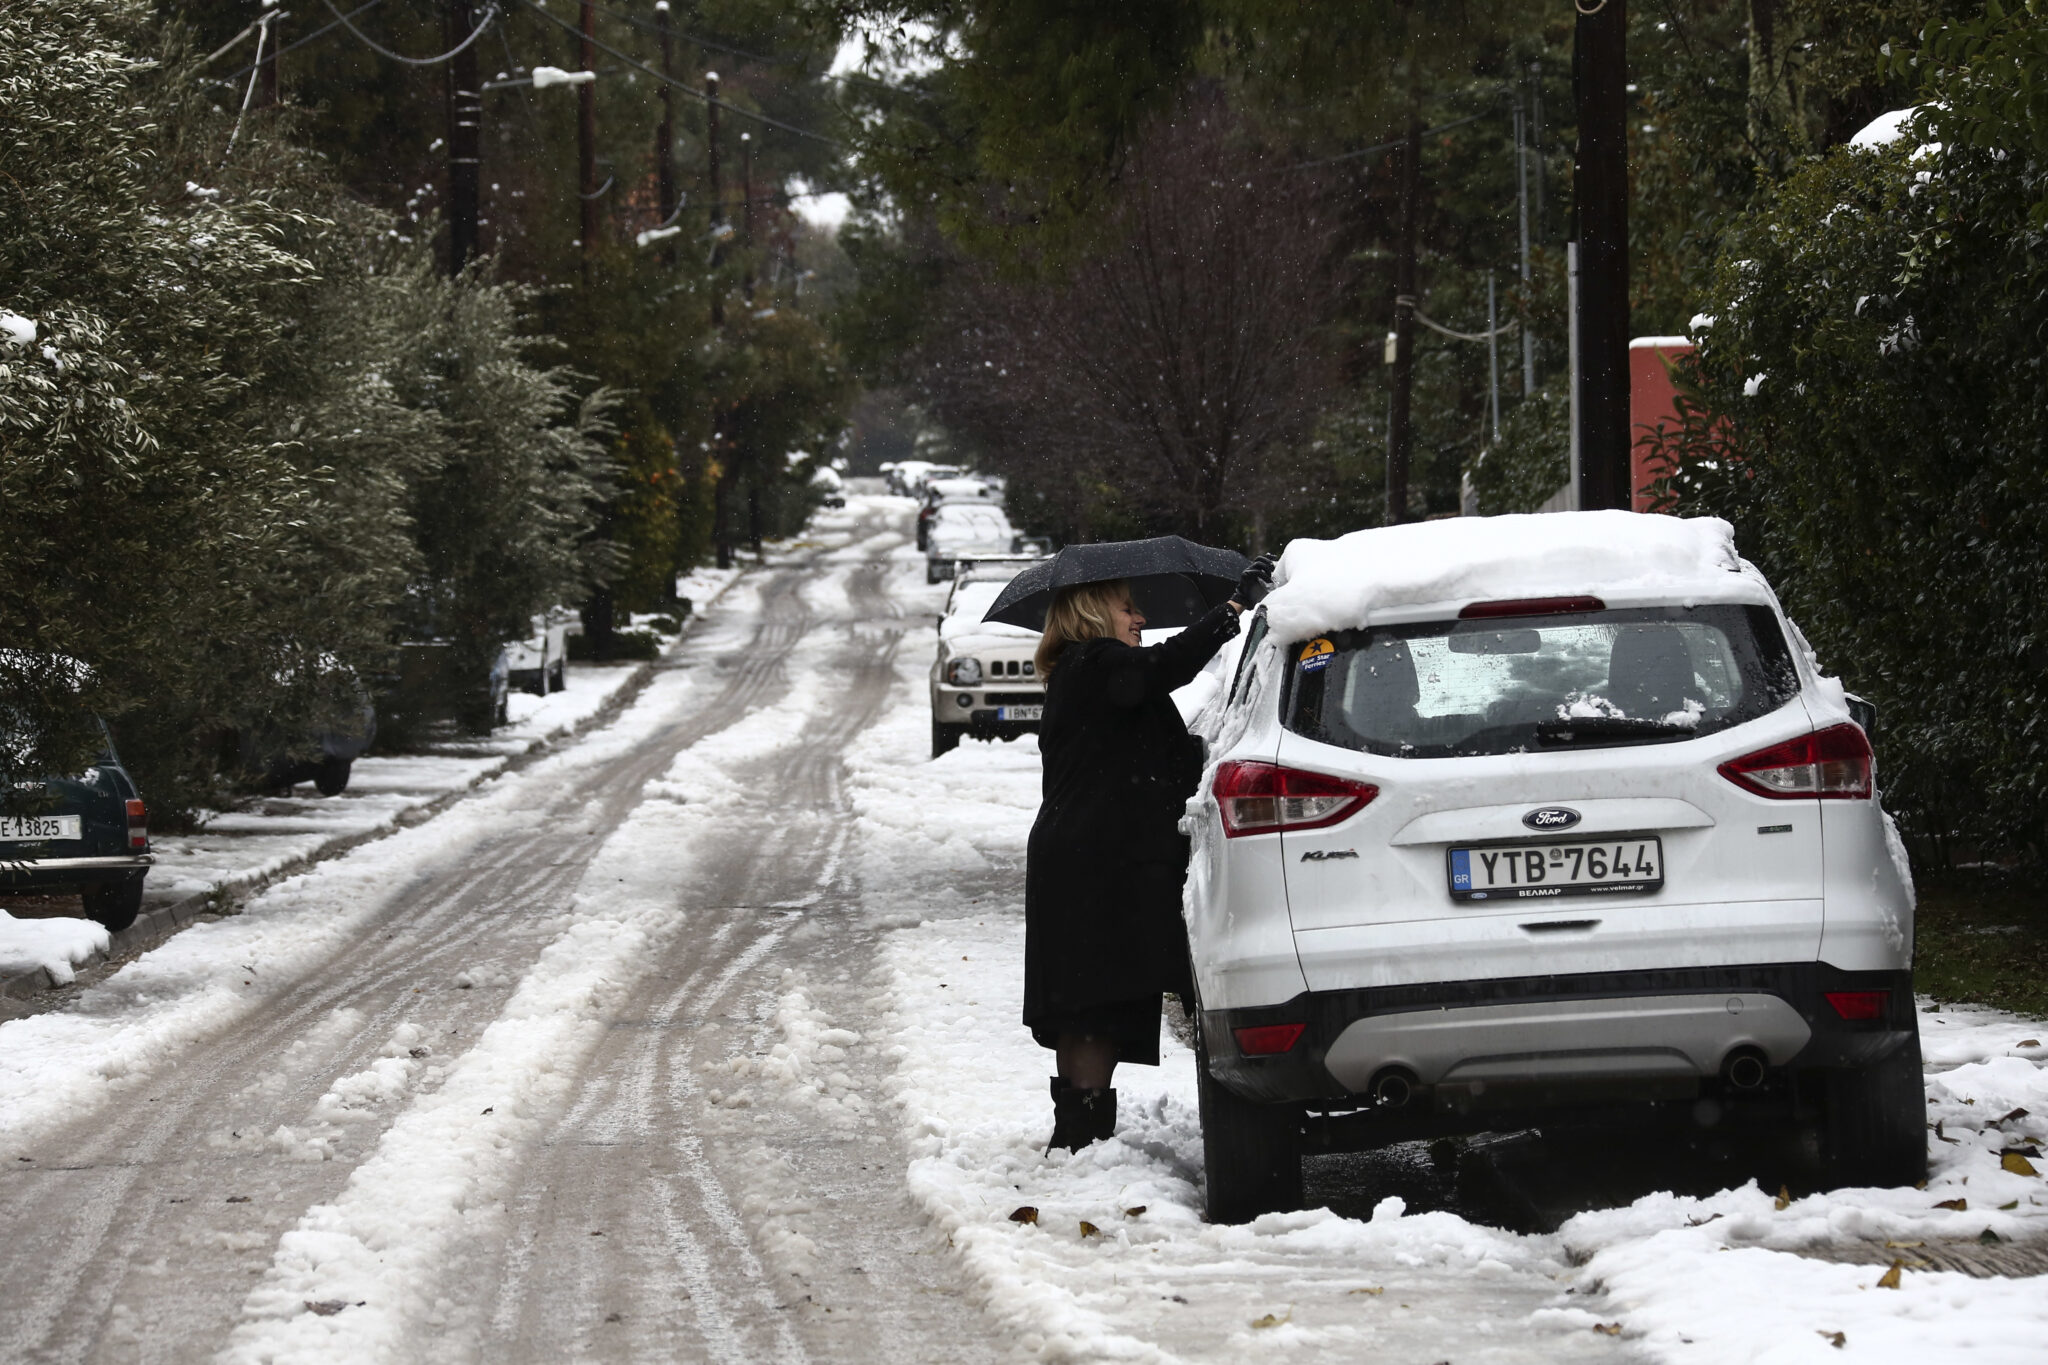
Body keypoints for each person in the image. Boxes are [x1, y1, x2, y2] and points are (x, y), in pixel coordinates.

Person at [1024, 556, 1276, 1153]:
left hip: (1098, 856)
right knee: (1091, 1000)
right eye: (1128, 606)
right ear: (1093, 612)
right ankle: (1080, 1136)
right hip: (1090, 862)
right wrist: (1231, 612)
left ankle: (1087, 1136)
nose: (1141, 618)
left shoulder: (1095, 674)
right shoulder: (1095, 663)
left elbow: (1141, 748)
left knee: (1103, 995)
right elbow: (1164, 666)